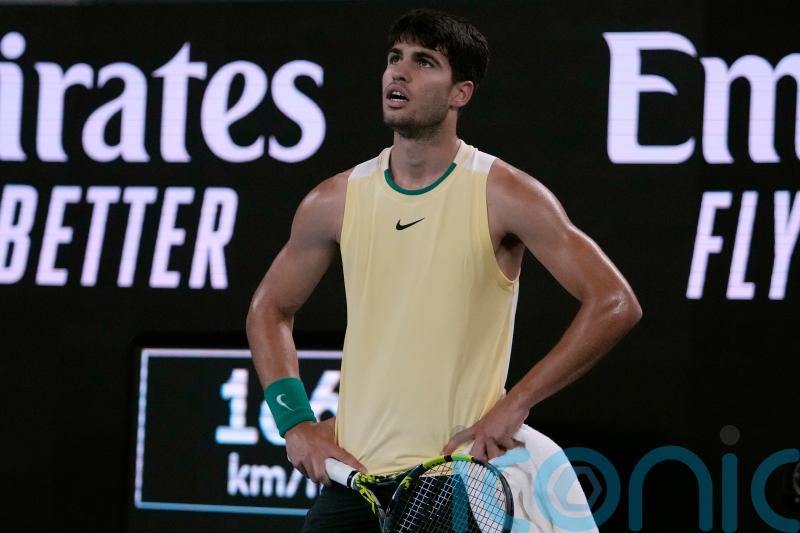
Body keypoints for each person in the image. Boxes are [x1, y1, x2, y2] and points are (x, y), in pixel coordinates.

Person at [246, 8, 642, 532]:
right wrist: (295, 422)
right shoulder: (334, 200)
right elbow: (268, 310)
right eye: (395, 58)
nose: (399, 73)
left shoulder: (503, 193)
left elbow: (614, 303)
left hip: (451, 481)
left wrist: (515, 405)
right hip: (355, 482)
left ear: (461, 93)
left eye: (424, 62)